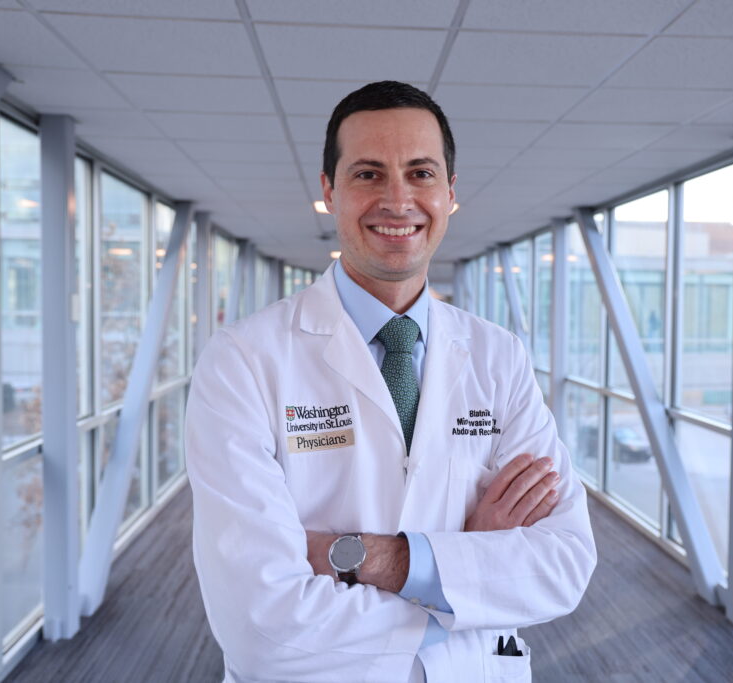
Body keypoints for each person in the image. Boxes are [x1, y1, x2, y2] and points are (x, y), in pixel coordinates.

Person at [185, 81, 597, 683]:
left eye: (422, 173)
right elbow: (262, 627)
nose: (398, 199)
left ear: (451, 193)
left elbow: (563, 564)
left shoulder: (497, 356)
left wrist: (367, 558)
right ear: (329, 191)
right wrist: (464, 574)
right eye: (368, 174)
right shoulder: (244, 360)